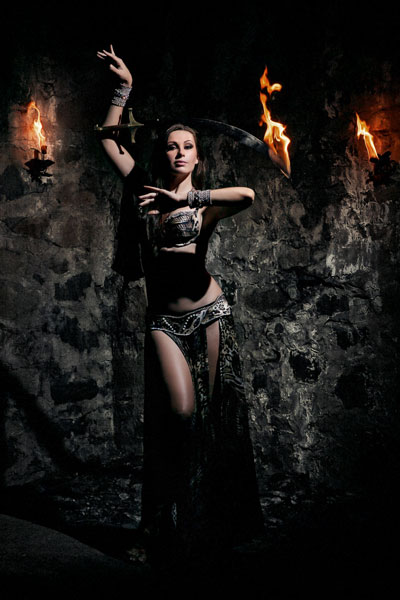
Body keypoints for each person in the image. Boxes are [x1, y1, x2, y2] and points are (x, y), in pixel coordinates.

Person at [97, 45, 264, 566]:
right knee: (181, 414)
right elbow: (107, 139)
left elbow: (248, 195)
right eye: (171, 146)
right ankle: (158, 525)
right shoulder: (143, 189)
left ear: (198, 157)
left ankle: (204, 527)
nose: (179, 153)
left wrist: (189, 199)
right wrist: (124, 89)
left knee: (212, 421)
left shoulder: (203, 203)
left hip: (211, 314)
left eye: (188, 146)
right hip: (165, 322)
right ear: (163, 154)